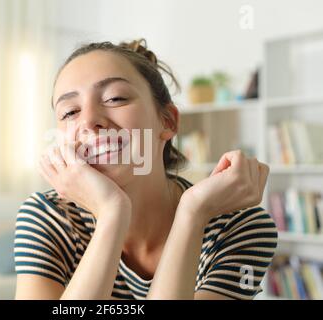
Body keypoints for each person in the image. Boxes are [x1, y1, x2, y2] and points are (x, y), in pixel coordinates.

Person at [14, 39, 278, 300]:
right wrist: (111, 212)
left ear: (167, 121)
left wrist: (192, 214)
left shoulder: (241, 227)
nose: (89, 121)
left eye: (115, 98)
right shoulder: (48, 216)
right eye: (70, 112)